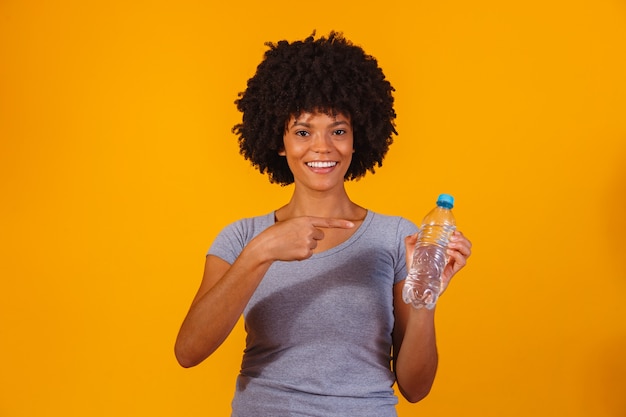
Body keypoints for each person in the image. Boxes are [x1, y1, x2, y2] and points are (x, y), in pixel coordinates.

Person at [175, 31, 472, 417]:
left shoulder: (396, 238)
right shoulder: (242, 238)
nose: (322, 147)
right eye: (302, 131)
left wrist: (427, 296)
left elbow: (416, 388)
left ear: (356, 139)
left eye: (338, 130)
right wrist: (262, 252)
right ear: (279, 141)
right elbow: (188, 351)